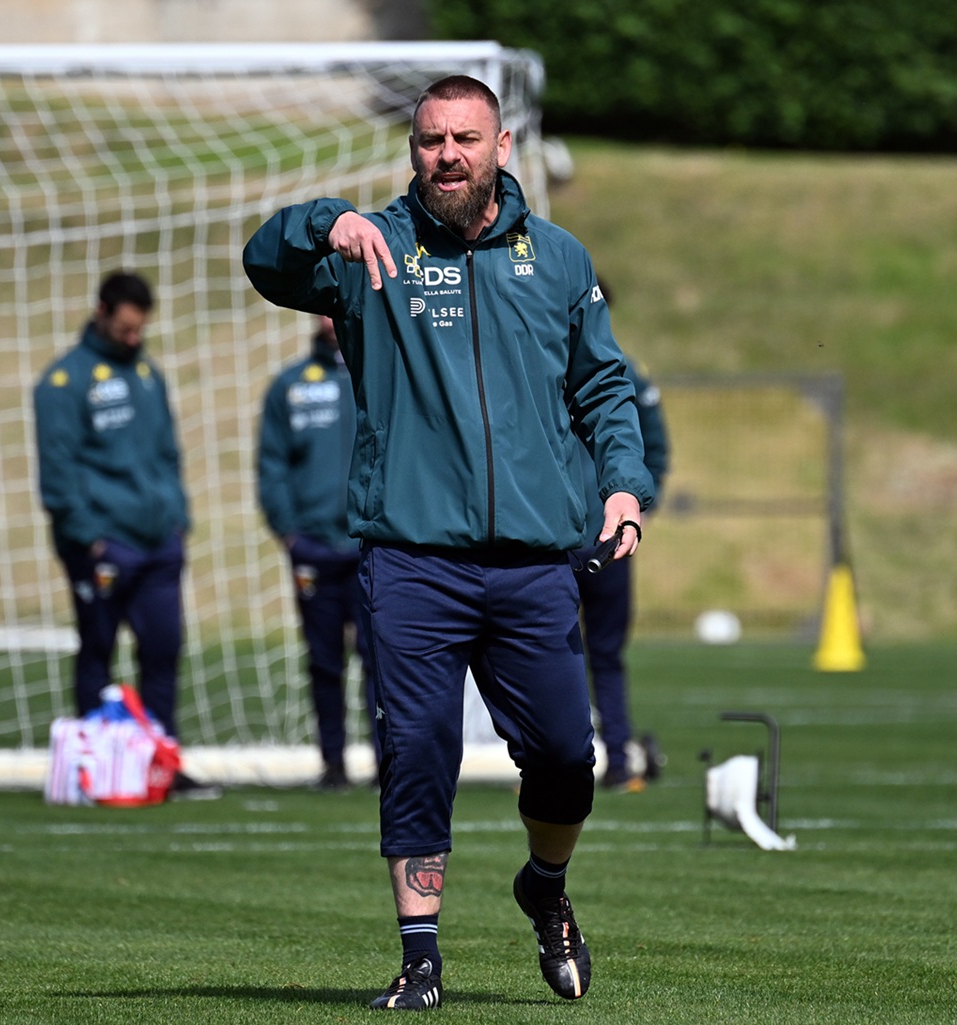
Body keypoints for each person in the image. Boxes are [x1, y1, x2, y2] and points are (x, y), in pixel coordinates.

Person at [244, 75, 654, 1010]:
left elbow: (603, 389)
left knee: (563, 757)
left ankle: (542, 887)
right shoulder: (373, 249)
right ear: (414, 150)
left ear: (502, 145)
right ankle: (419, 955)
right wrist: (322, 222)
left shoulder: (555, 259)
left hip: (533, 563)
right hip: (411, 559)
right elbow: (262, 262)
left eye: (466, 138)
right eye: (432, 141)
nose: (448, 156)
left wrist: (624, 487)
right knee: (417, 745)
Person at [32, 271, 218, 801]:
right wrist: (89, 537)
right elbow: (58, 472)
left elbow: (167, 452)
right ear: (102, 312)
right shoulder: (64, 382)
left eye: (141, 330)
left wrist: (177, 517)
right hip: (104, 545)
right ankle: (95, 768)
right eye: (128, 328)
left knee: (163, 651)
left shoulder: (145, 372)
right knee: (98, 650)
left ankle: (161, 767)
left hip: (159, 543)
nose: (136, 338)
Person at [256, 315, 377, 791]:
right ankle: (333, 762)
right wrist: (289, 532)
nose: (331, 320)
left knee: (383, 659)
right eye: (323, 309)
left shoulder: (383, 370)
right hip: (313, 549)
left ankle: (390, 763)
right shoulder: (289, 386)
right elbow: (271, 465)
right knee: (324, 660)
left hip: (373, 546)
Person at [573, 281, 670, 793]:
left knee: (606, 652)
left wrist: (640, 506)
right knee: (546, 654)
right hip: (549, 541)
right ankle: (551, 762)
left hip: (609, 542)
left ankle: (616, 759)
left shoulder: (625, 373)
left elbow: (654, 446)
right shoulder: (535, 367)